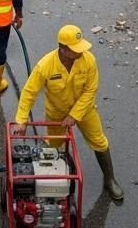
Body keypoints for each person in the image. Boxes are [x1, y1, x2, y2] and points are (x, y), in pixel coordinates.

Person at [12, 25, 124, 203]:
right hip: (56, 113)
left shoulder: (88, 60)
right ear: (62, 49)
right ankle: (55, 187)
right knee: (55, 146)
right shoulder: (46, 65)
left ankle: (110, 179)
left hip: (84, 110)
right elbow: (29, 92)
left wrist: (74, 115)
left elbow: (90, 90)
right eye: (75, 49)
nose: (80, 52)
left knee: (99, 142)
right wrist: (21, 120)